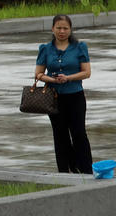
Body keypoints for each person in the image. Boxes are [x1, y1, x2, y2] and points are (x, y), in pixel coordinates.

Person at [34, 14, 93, 174]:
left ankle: (86, 170)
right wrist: (51, 79)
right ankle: (64, 171)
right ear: (52, 29)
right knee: (60, 135)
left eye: (65, 28)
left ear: (70, 29)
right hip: (54, 98)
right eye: (58, 28)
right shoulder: (45, 49)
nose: (62, 31)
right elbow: (38, 74)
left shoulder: (80, 47)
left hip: (75, 96)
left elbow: (86, 72)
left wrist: (68, 78)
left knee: (79, 133)